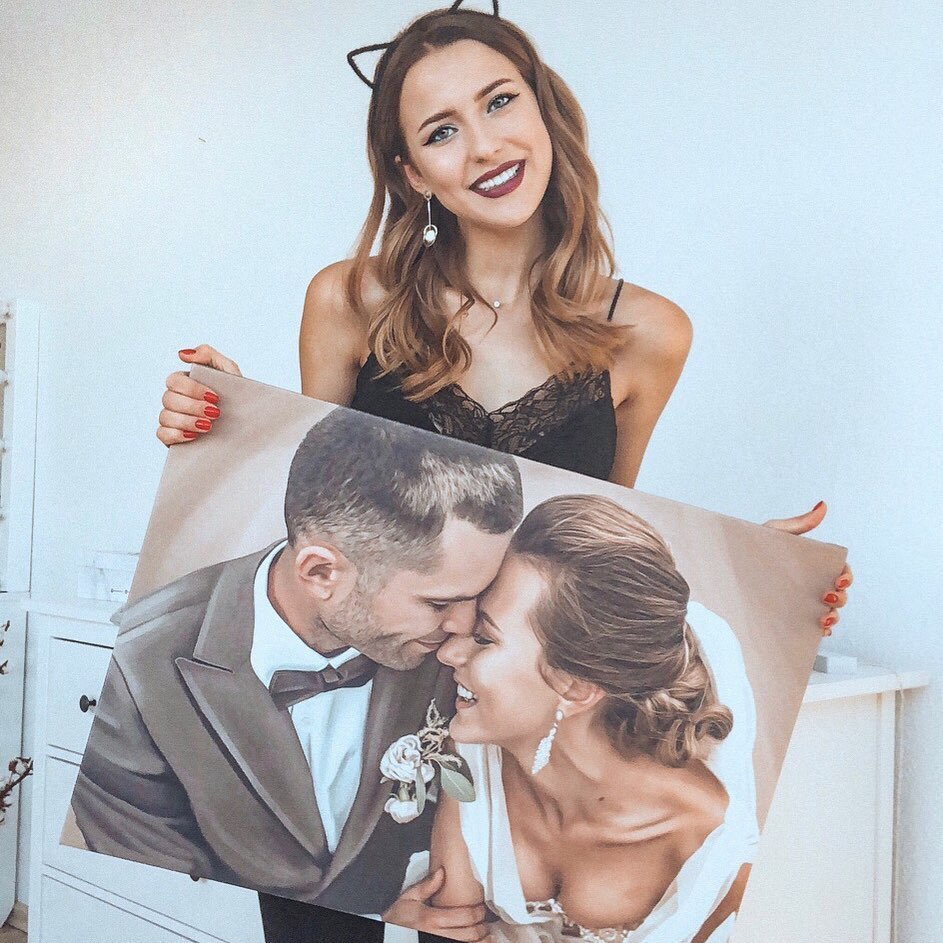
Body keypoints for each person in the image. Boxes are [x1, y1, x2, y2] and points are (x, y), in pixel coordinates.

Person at [151, 3, 851, 939]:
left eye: (498, 102)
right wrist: (225, 423)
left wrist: (761, 569)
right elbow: (313, 503)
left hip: (506, 734)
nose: (483, 145)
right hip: (358, 721)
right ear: (412, 171)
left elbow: (593, 530)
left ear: (543, 110)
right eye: (441, 130)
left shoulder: (648, 333)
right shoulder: (350, 300)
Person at [71, 408, 521, 940]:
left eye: (478, 597)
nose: (465, 630)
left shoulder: (468, 656)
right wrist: (375, 922)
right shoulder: (138, 671)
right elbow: (157, 901)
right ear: (321, 572)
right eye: (439, 602)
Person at [422, 494, 759, 943]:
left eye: (483, 637)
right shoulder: (471, 758)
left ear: (576, 687)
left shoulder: (711, 847)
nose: (449, 652)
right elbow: (449, 926)